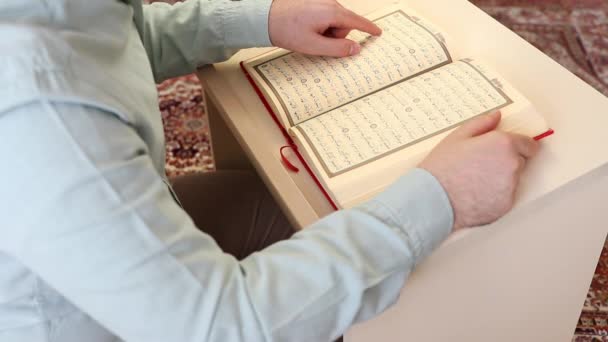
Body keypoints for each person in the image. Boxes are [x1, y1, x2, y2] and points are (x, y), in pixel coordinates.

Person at [0, 0, 539, 341]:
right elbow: (219, 327)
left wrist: (260, 19)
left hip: (85, 272)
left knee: (281, 201)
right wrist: (444, 194)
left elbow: (115, 34)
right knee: (412, 254)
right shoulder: (40, 104)